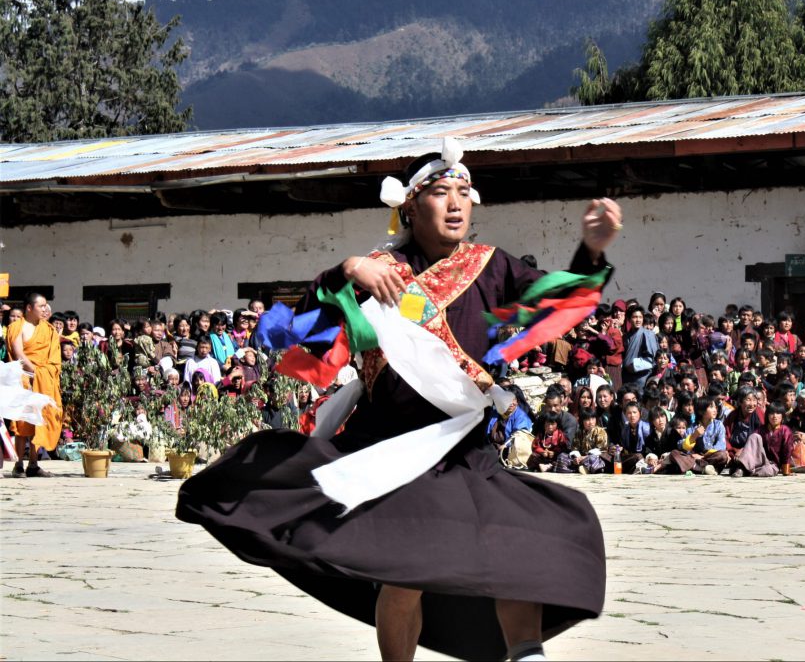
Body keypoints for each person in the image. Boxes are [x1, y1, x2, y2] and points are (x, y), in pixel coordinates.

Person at [177, 143, 620, 661]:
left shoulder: (492, 268)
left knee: (517, 543)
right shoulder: (375, 271)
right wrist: (347, 271)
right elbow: (306, 332)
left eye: (463, 192)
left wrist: (591, 251)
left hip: (464, 450)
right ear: (409, 206)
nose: (455, 204)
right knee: (405, 574)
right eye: (440, 192)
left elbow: (554, 303)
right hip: (388, 446)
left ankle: (526, 653)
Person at [7, 293, 63, 477]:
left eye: (46, 306)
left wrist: (40, 375)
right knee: (23, 422)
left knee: (40, 419)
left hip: (43, 380)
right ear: (29, 308)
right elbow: (18, 354)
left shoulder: (49, 330)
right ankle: (18, 465)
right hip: (23, 380)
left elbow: (54, 359)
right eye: (41, 306)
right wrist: (34, 373)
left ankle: (33, 463)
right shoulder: (17, 326)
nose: (45, 309)